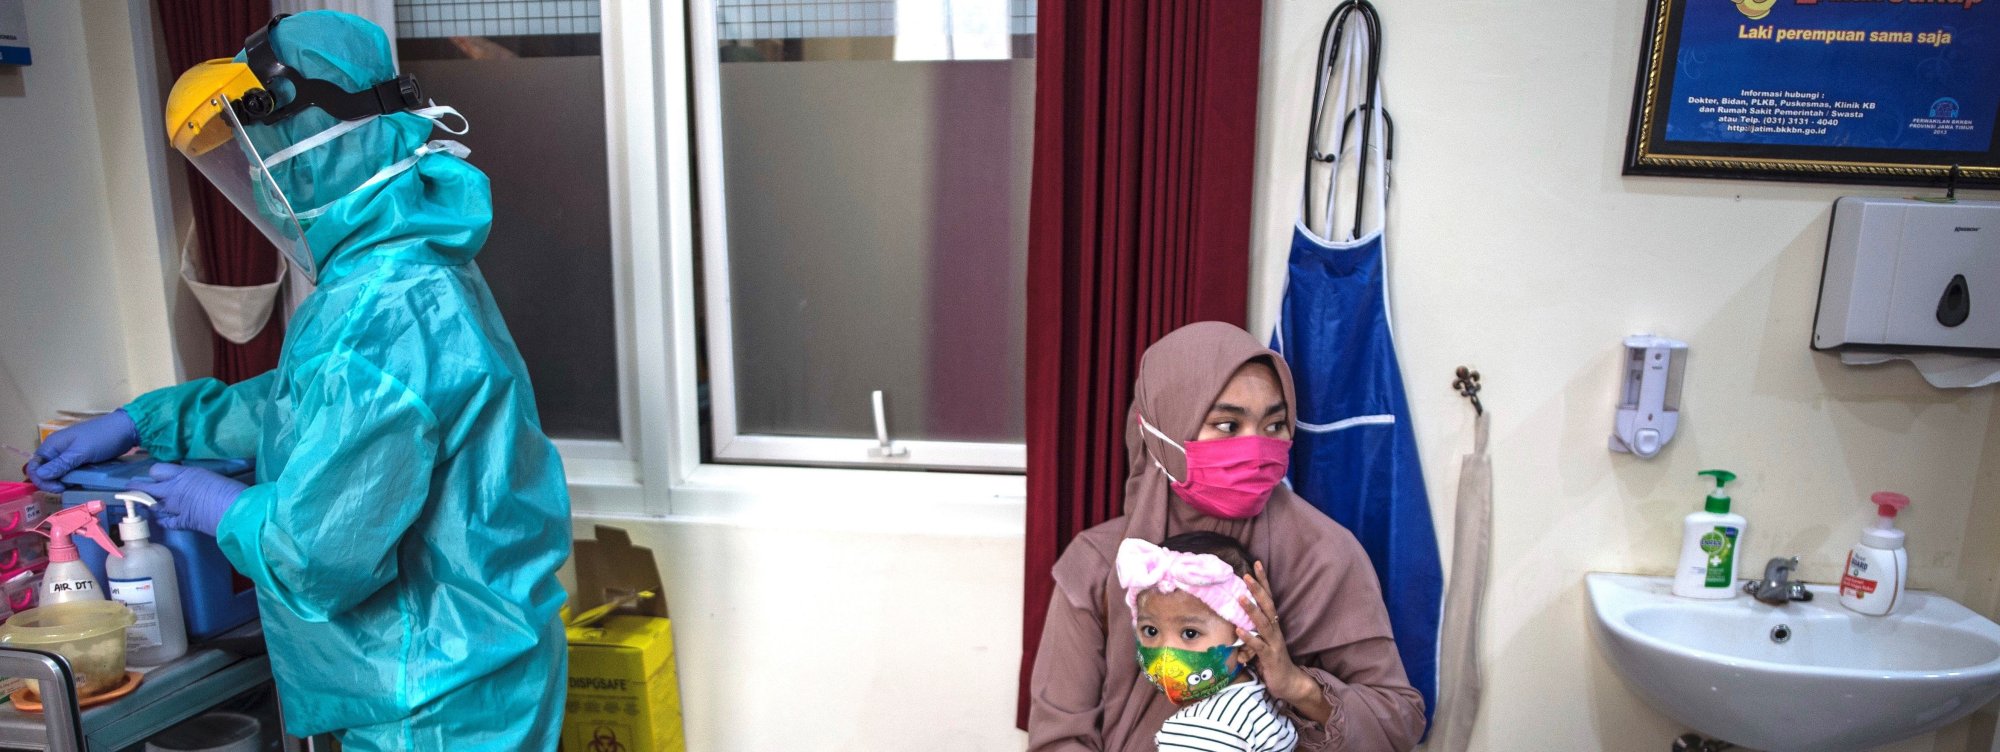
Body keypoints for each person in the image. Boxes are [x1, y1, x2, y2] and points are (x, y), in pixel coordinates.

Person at [26, 11, 569, 750]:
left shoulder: (384, 308)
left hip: (436, 698)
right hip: (462, 665)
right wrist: (149, 420)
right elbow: (300, 405)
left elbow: (317, 553)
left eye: (264, 154)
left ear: (315, 154)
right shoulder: (395, 269)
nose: (257, 178)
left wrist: (214, 502)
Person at [1029, 321, 1426, 751]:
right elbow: (1059, 736)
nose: (1256, 448)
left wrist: (1296, 685)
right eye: (1228, 425)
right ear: (1163, 428)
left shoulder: (1325, 555)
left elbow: (1399, 723)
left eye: (1274, 425)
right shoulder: (1103, 561)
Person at [1119, 533, 1298, 751]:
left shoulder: (1198, 732)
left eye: (1190, 634)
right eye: (1151, 630)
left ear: (1247, 645)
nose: (1165, 649)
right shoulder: (1258, 697)